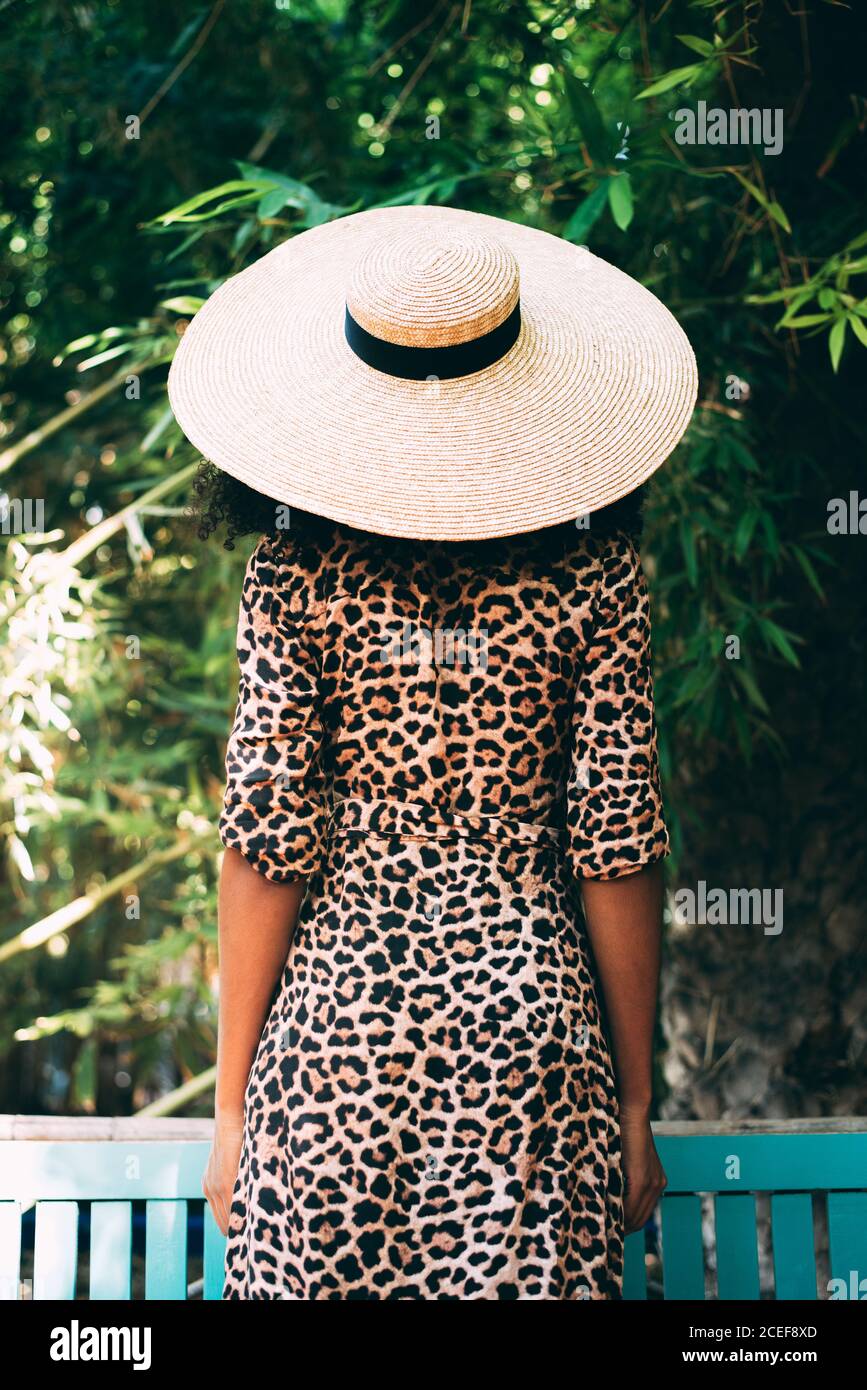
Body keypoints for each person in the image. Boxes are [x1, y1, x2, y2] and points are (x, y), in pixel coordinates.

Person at [168, 204, 697, 1300]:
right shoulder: (589, 576)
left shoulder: (293, 577)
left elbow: (267, 844)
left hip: (332, 1051)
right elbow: (617, 843)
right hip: (531, 1046)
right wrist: (636, 1106)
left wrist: (230, 1114)